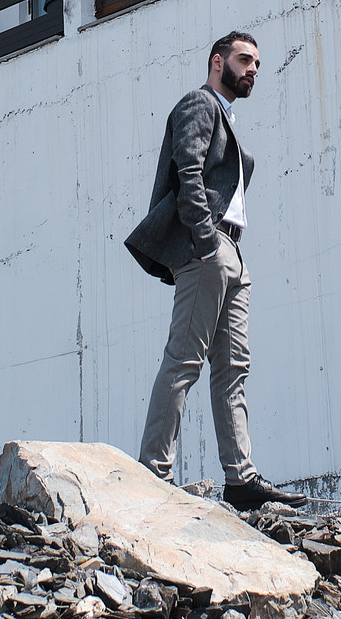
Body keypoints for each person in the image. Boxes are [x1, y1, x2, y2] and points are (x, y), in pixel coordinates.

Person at [123, 31, 305, 511]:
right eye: (245, 60)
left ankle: (240, 477)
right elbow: (188, 173)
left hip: (232, 252)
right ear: (216, 61)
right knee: (185, 358)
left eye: (258, 64)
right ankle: (154, 471)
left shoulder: (226, 114)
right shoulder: (199, 104)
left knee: (233, 368)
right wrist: (205, 241)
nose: (253, 70)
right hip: (208, 248)